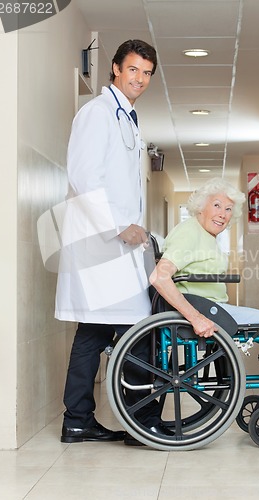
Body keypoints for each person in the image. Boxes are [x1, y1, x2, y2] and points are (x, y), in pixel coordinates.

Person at [55, 39, 170, 445]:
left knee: (94, 333)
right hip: (102, 245)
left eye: (147, 73)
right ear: (116, 69)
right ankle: (142, 423)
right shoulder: (97, 113)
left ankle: (78, 420)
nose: (139, 78)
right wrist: (121, 226)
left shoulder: (127, 116)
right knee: (138, 330)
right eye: (133, 69)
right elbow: (84, 177)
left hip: (112, 248)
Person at [149, 177, 259, 418]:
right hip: (204, 310)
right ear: (202, 206)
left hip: (211, 307)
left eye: (229, 209)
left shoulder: (202, 234)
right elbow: (159, 277)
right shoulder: (190, 232)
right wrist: (196, 318)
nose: (223, 214)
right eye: (217, 205)